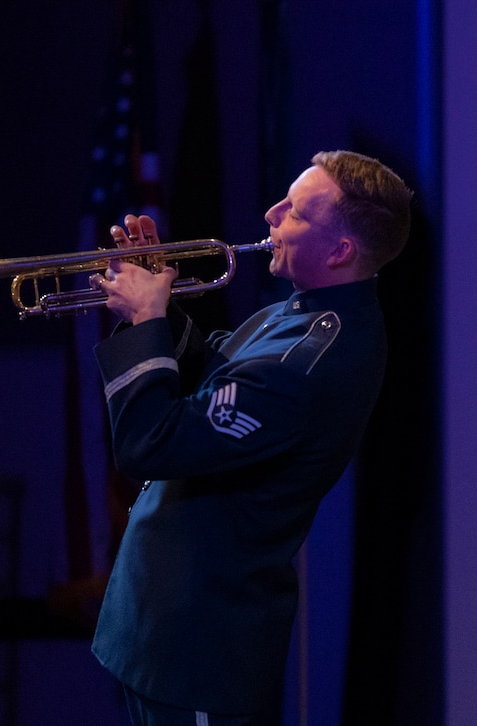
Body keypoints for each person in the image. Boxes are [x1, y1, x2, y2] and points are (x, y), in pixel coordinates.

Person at [86, 150, 412, 725]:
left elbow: (150, 446)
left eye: (295, 212)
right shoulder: (298, 314)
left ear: (340, 252)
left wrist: (148, 323)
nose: (270, 213)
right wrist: (161, 299)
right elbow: (216, 372)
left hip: (197, 647)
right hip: (161, 630)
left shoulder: (308, 361)